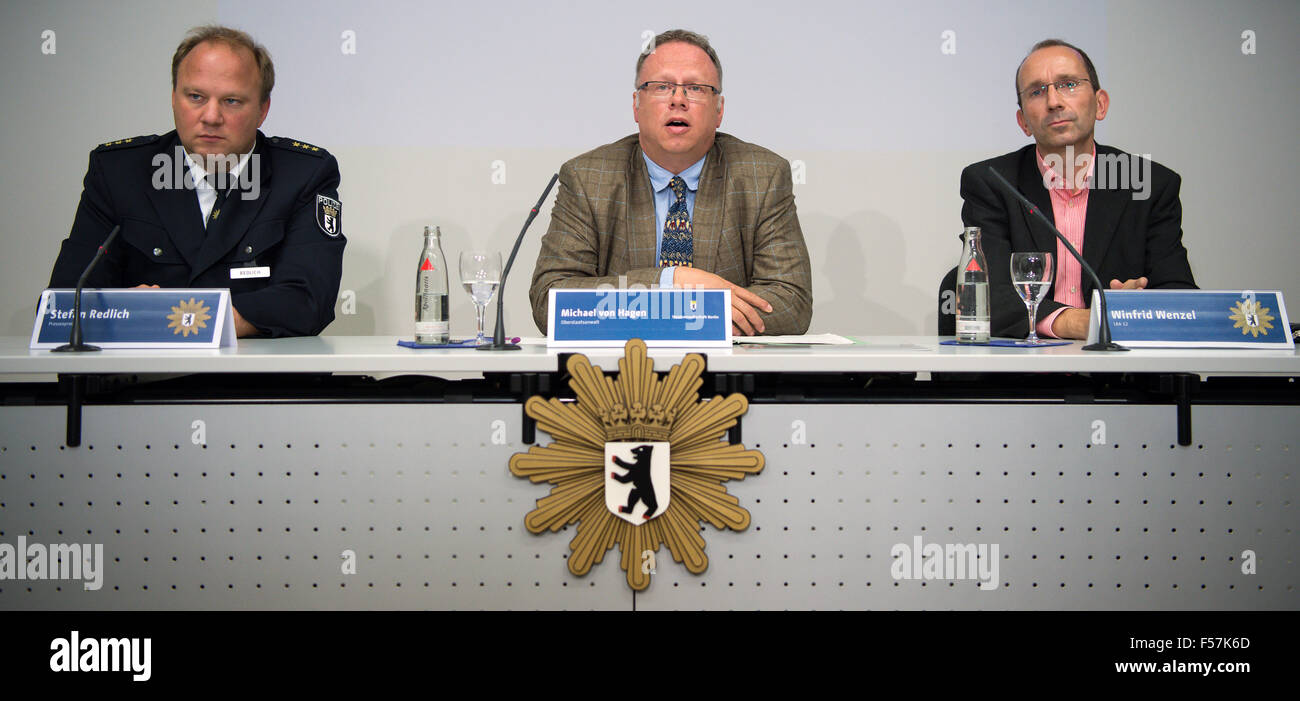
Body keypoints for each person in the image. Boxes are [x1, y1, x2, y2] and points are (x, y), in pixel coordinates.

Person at [48, 25, 345, 338]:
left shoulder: (303, 174)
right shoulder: (118, 172)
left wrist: (168, 319)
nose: (211, 116)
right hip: (141, 378)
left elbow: (308, 300)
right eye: (196, 97)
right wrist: (131, 309)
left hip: (256, 380)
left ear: (262, 110)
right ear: (174, 99)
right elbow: (68, 299)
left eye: (231, 101)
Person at [528, 29, 812, 336]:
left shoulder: (763, 175)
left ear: (719, 110)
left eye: (696, 88)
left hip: (727, 378)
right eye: (662, 87)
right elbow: (551, 299)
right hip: (612, 375)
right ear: (637, 105)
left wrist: (700, 307)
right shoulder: (587, 178)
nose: (678, 100)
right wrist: (670, 282)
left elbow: (792, 303)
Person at [959, 39, 1195, 339]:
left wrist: (1140, 305)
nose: (1054, 101)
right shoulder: (993, 182)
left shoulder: (1148, 184)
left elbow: (1178, 293)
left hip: (1119, 376)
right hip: (1025, 375)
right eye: (1037, 91)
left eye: (1068, 84)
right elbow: (985, 296)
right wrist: (1082, 321)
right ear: (1023, 122)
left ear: (1100, 104)